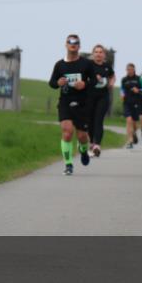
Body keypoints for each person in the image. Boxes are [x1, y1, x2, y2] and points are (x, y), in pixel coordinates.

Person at [48, 34, 95, 176]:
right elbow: (52, 83)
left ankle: (83, 150)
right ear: (66, 45)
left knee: (82, 136)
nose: (73, 44)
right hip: (65, 102)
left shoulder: (86, 64)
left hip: (82, 103)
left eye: (76, 42)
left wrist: (85, 84)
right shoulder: (60, 65)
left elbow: (94, 81)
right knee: (67, 132)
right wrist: (58, 83)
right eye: (70, 42)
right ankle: (68, 164)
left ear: (79, 46)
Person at [87, 45, 114, 157]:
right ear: (93, 54)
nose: (98, 54)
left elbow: (112, 76)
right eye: (96, 52)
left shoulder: (107, 66)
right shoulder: (88, 65)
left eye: (100, 52)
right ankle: (91, 143)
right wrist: (93, 78)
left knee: (99, 120)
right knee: (90, 121)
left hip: (103, 96)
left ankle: (97, 145)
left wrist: (111, 83)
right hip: (89, 96)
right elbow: (83, 77)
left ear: (104, 55)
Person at [120, 63, 142, 148]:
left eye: (131, 69)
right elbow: (122, 89)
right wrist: (122, 94)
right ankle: (130, 141)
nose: (129, 71)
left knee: (134, 123)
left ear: (134, 70)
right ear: (126, 70)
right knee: (129, 120)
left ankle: (134, 133)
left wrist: (138, 90)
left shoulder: (139, 79)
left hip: (136, 103)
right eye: (128, 69)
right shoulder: (124, 79)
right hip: (127, 103)